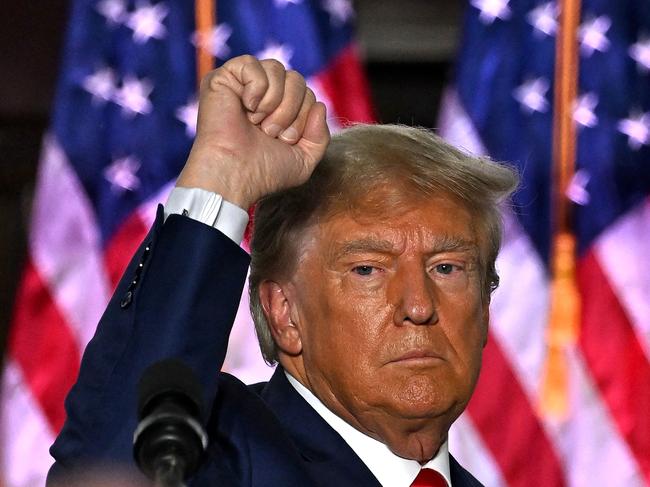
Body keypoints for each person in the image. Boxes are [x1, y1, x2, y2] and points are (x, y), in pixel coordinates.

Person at [48, 55, 517, 486]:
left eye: (448, 267)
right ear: (285, 315)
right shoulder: (210, 452)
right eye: (368, 269)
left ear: (484, 305)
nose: (419, 305)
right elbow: (111, 464)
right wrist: (223, 177)